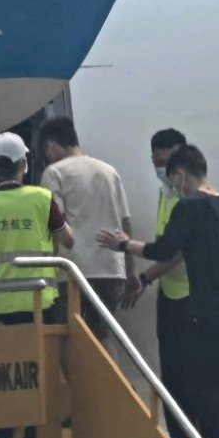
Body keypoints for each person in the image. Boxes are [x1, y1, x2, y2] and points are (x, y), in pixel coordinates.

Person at [98, 145, 219, 438]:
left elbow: (164, 249)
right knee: (211, 379)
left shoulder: (190, 208)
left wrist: (123, 244)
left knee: (197, 382)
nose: (174, 189)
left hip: (209, 308)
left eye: (174, 181)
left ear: (182, 174)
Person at [0, 131, 76, 438]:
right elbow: (69, 240)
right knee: (37, 382)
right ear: (25, 164)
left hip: (0, 308)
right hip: (40, 305)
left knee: (3, 383)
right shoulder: (43, 198)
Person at [36, 116, 133, 338]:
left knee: (72, 340)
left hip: (75, 271)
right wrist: (131, 270)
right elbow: (126, 223)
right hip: (111, 271)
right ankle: (108, 373)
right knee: (102, 338)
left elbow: (55, 224)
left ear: (50, 145)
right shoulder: (109, 171)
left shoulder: (54, 173)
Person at [136, 127, 193, 438]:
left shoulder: (192, 197)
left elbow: (177, 251)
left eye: (167, 163)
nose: (163, 170)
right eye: (157, 163)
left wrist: (144, 277)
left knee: (189, 380)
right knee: (170, 378)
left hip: (192, 297)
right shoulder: (167, 194)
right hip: (171, 296)